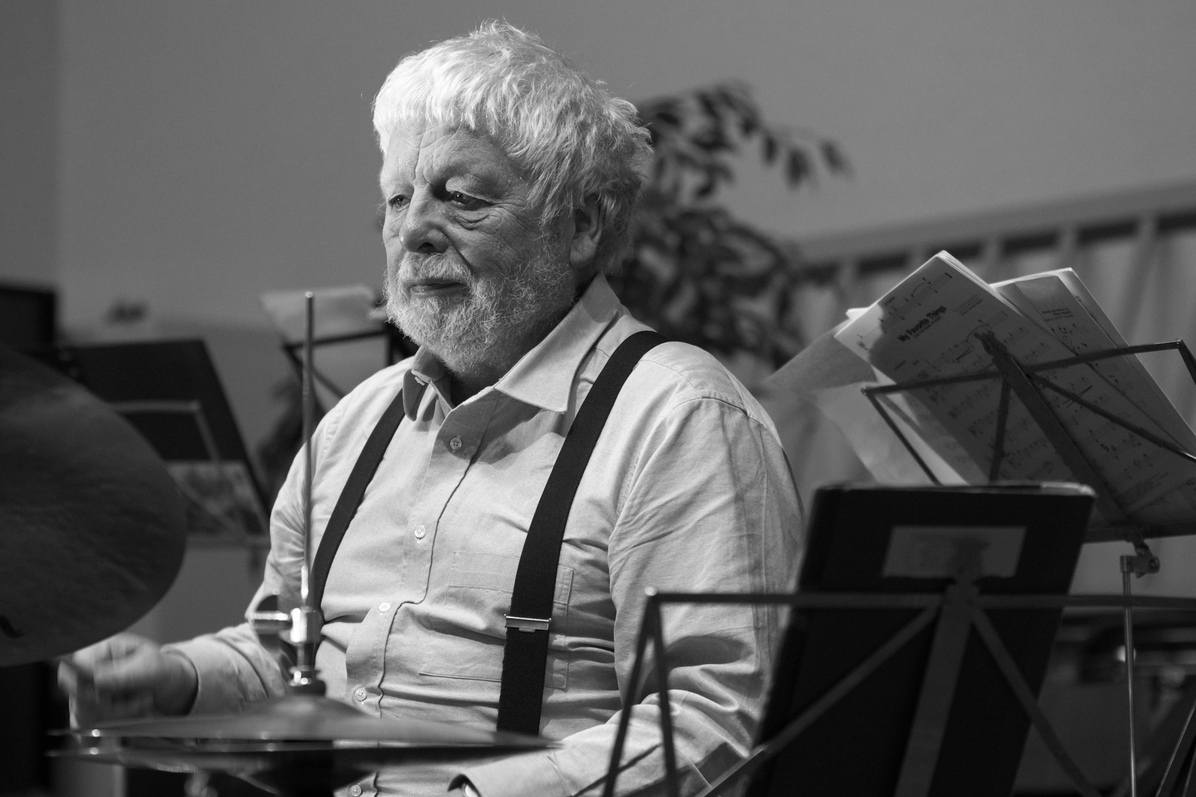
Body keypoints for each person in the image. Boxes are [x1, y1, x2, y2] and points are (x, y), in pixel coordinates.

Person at [59, 22, 802, 797]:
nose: (412, 230)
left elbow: (720, 717)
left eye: (462, 198)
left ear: (581, 224)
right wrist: (177, 681)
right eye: (397, 197)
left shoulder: (682, 417)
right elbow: (287, 657)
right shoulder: (354, 425)